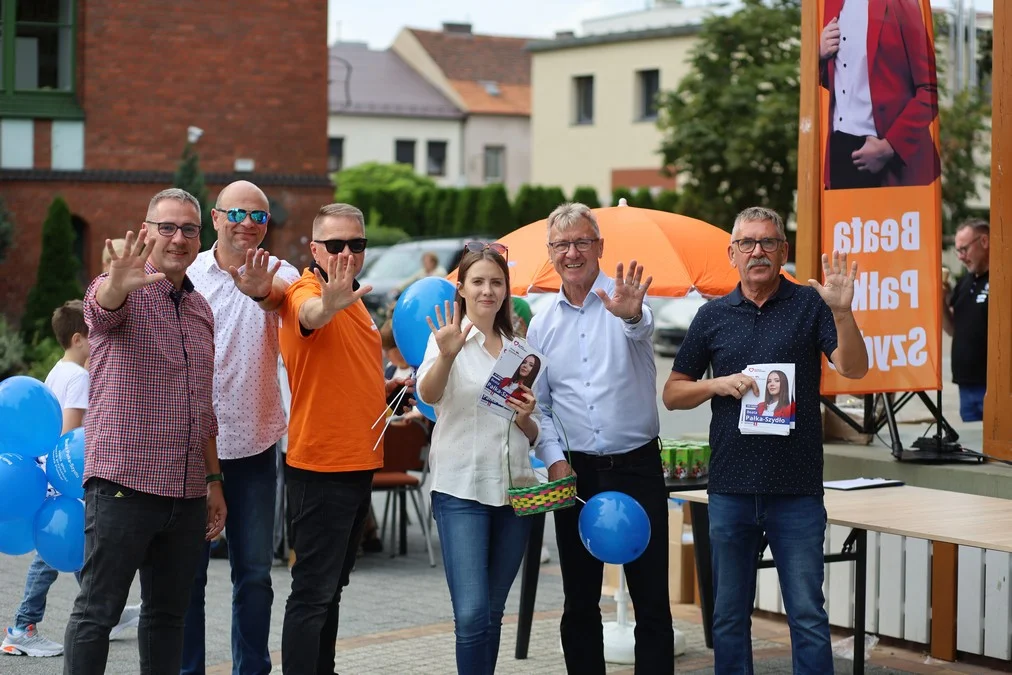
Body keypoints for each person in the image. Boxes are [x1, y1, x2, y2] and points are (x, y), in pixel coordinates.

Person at [663, 206, 869, 673]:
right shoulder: (712, 315)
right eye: (748, 243)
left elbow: (854, 368)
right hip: (731, 488)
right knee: (729, 617)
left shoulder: (811, 306)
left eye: (768, 242)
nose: (758, 251)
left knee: (808, 616)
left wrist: (842, 311)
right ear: (732, 253)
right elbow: (673, 393)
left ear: (783, 251)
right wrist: (716, 384)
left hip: (795, 490)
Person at [62, 188, 227, 675]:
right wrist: (117, 283)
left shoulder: (200, 311)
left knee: (167, 618)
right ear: (148, 230)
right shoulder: (120, 289)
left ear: (201, 236)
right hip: (123, 486)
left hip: (185, 491)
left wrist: (213, 482)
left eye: (189, 229)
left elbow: (203, 408)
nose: (179, 238)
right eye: (168, 228)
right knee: (98, 611)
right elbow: (102, 307)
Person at [526, 202, 674, 674]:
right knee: (579, 600)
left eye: (581, 242)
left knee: (651, 598)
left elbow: (642, 327)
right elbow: (540, 405)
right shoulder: (541, 322)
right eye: (561, 244)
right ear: (550, 253)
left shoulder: (625, 298)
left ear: (599, 247)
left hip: (637, 467)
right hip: (577, 473)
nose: (572, 253)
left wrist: (632, 317)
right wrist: (553, 459)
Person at [277, 203, 411, 674]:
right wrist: (329, 302)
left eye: (357, 244)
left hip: (356, 463)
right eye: (335, 245)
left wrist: (387, 390)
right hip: (320, 466)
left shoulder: (357, 299)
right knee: (312, 591)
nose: (347, 254)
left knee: (331, 587)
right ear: (315, 249)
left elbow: (345, 370)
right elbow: (311, 316)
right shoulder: (306, 290)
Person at [181, 180, 301, 675]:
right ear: (215, 218)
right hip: (189, 450)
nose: (248, 224)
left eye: (258, 216)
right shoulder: (186, 276)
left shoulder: (282, 275)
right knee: (186, 576)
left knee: (253, 575)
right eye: (237, 213)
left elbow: (306, 324)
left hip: (253, 445)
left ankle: (250, 670)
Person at [416, 243, 540, 675]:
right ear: (462, 288)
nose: (488, 290)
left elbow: (533, 429)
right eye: (479, 282)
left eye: (496, 282)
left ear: (506, 290)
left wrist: (526, 417)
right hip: (461, 490)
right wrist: (447, 354)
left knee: (491, 612)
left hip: (515, 491)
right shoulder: (448, 340)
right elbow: (428, 396)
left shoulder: (518, 348)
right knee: (470, 615)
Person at [1, 302, 139, 658]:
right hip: (67, 475)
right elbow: (70, 432)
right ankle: (22, 626)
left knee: (78, 547)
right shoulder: (78, 376)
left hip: (49, 473)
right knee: (52, 552)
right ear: (78, 339)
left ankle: (107, 613)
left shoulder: (58, 371)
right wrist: (74, 473)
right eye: (94, 336)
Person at [819, 0, 940, 189]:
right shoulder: (828, 5)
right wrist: (818, 55)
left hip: (886, 156)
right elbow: (838, 80)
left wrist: (889, 147)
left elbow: (929, 90)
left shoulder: (900, 4)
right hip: (838, 152)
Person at [942, 218, 990, 422]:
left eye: (964, 249)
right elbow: (952, 329)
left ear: (984, 242)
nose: (961, 256)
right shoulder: (964, 282)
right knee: (973, 446)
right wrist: (940, 301)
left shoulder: (1002, 277)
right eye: (957, 251)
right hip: (966, 384)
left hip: (993, 385)